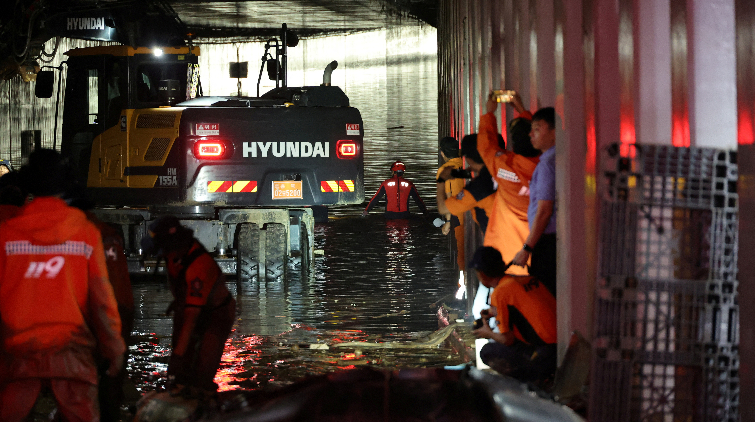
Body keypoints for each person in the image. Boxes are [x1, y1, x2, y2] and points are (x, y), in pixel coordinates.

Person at [0, 149, 125, 421]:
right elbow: (102, 302)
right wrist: (114, 348)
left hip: (18, 355)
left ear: (29, 184)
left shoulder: (6, 235)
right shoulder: (85, 233)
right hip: (72, 353)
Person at [141, 216, 236, 397]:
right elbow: (176, 281)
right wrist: (178, 301)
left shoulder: (199, 265)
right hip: (189, 305)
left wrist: (176, 357)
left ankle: (204, 399)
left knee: (203, 368)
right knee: (181, 369)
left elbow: (192, 318)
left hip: (217, 312)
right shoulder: (173, 255)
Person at [469, 246, 557, 386]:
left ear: (482, 274)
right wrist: (492, 312)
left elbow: (507, 340)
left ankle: (532, 381)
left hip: (543, 354)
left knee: (488, 351)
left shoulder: (499, 293)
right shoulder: (522, 280)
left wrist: (488, 333)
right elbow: (526, 308)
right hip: (558, 345)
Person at [477, 91, 540, 277]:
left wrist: (490, 113)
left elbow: (486, 145)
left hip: (506, 255)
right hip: (538, 252)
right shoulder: (547, 166)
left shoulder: (505, 167)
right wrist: (522, 111)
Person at [511, 107, 557, 296]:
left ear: (554, 132)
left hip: (546, 243)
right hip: (549, 240)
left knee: (545, 293)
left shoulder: (547, 165)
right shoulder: (551, 159)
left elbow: (545, 210)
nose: (531, 134)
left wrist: (527, 248)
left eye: (537, 129)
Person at [436, 134, 495, 234]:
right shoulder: (495, 174)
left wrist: (441, 180)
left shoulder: (476, 187)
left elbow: (445, 204)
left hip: (460, 216)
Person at [435, 137, 466, 269]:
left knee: (461, 252)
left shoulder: (444, 170)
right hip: (474, 212)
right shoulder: (465, 163)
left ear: (442, 153)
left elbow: (447, 196)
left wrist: (447, 222)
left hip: (458, 216)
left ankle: (463, 282)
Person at [363, 161, 428, 219]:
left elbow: (376, 198)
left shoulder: (385, 184)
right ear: (403, 172)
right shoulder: (409, 184)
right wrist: (425, 213)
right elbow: (418, 200)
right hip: (404, 215)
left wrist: (366, 211)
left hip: (389, 215)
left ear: (394, 172)